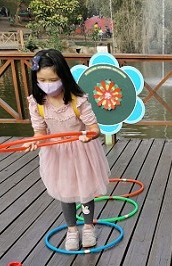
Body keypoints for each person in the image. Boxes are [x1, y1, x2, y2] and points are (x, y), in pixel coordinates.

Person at [25, 49, 110, 251]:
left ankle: (88, 227)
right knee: (65, 191)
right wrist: (35, 141)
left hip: (81, 150)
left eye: (53, 79)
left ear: (63, 76)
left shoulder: (77, 100)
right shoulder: (37, 103)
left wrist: (89, 136)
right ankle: (72, 229)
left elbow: (94, 128)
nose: (47, 84)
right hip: (57, 153)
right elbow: (40, 132)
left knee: (86, 191)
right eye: (42, 80)